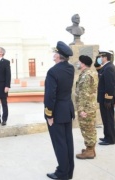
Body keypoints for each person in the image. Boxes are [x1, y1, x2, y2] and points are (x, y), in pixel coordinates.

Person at [44, 41, 75, 180]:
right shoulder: (70, 68)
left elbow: (51, 95)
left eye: (54, 53)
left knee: (60, 143)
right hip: (67, 110)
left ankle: (62, 173)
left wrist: (49, 114)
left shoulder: (53, 71)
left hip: (56, 112)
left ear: (58, 56)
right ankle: (69, 171)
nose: (53, 56)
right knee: (68, 142)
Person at [75, 55, 98, 159]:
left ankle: (89, 151)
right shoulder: (91, 73)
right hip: (90, 107)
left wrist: (81, 110)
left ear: (83, 63)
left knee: (87, 129)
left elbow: (83, 94)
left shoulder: (86, 76)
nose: (78, 63)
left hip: (86, 108)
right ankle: (91, 149)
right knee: (90, 128)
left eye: (79, 62)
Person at [95, 50, 115, 145]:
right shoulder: (106, 67)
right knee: (105, 118)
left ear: (105, 58)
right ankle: (106, 136)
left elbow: (110, 85)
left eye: (100, 57)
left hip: (107, 99)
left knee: (109, 119)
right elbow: (98, 69)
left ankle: (110, 139)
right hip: (103, 99)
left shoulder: (109, 68)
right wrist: (96, 61)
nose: (100, 59)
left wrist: (108, 99)